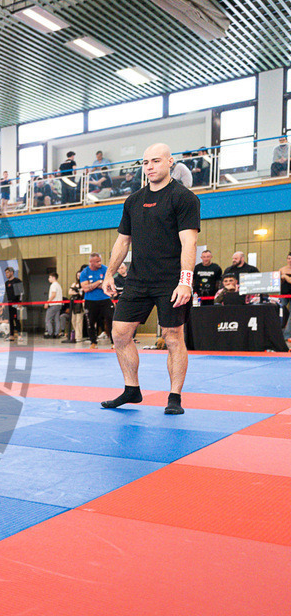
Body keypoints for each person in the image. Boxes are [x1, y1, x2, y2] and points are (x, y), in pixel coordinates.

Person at [102, 143, 200, 416]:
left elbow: (189, 243)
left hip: (170, 280)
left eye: (155, 161)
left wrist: (185, 281)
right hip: (137, 280)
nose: (149, 167)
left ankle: (174, 396)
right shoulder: (133, 201)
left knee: (172, 337)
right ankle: (132, 389)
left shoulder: (184, 198)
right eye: (145, 162)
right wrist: (109, 272)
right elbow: (123, 241)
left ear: (170, 162)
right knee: (120, 333)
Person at [80, 253, 112, 349]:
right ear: (91, 262)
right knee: (90, 322)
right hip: (90, 301)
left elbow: (108, 284)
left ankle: (114, 342)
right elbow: (85, 288)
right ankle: (93, 342)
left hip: (105, 299)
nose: (100, 263)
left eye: (100, 261)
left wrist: (92, 285)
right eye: (97, 261)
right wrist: (99, 282)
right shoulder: (85, 272)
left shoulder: (105, 269)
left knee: (110, 319)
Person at [3, 267, 22, 341]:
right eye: (5, 273)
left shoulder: (17, 281)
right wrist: (4, 303)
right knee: (10, 319)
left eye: (7, 272)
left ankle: (20, 335)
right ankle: (11, 335)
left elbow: (21, 292)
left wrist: (19, 302)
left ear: (12, 272)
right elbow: (6, 294)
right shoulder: (6, 283)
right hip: (9, 303)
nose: (6, 274)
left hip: (16, 303)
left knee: (16, 319)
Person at [67, 269, 85, 344]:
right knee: (73, 320)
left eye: (80, 275)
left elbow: (82, 293)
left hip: (81, 303)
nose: (78, 277)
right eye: (77, 275)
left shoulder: (84, 283)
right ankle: (76, 334)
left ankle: (78, 336)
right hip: (74, 304)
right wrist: (76, 291)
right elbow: (70, 292)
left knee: (79, 320)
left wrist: (78, 291)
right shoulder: (74, 284)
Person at [44, 273, 64, 338]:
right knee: (56, 319)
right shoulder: (58, 285)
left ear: (53, 277)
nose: (48, 279)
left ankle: (49, 333)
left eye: (49, 277)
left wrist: (47, 302)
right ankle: (56, 333)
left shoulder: (53, 285)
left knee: (48, 319)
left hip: (53, 304)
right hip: (59, 304)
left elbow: (53, 295)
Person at [279, 252, 291, 341]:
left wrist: (286, 277)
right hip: (284, 293)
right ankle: (278, 332)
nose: (290, 261)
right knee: (280, 310)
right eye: (288, 259)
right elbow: (276, 282)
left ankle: (287, 334)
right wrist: (281, 279)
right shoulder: (282, 269)